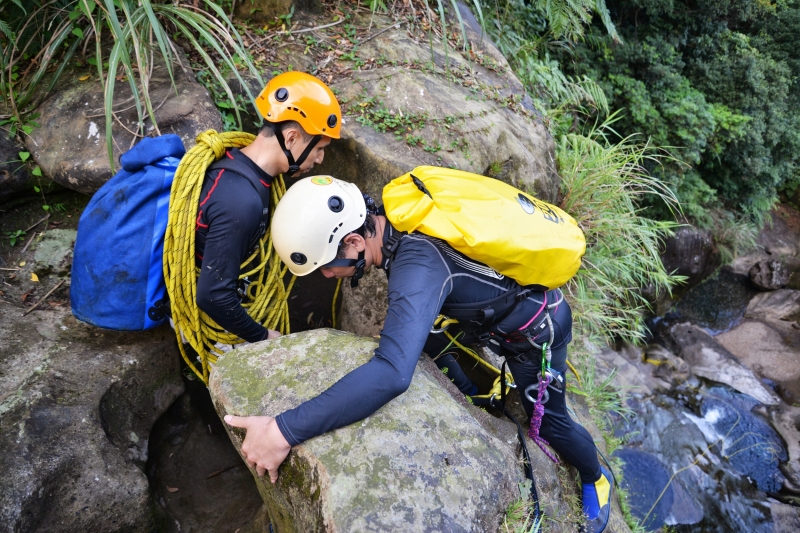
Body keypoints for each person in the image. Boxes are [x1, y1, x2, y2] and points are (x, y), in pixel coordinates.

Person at [224, 177, 613, 532]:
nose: (328, 276)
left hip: (536, 333)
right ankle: (469, 390)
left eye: (327, 267)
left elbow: (392, 373)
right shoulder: (398, 212)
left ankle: (596, 476)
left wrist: (282, 431)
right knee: (419, 337)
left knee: (550, 424)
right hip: (498, 309)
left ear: (355, 243)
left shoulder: (416, 266)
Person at [193, 71, 341, 344]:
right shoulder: (238, 201)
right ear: (293, 138)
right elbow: (212, 295)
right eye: (320, 148)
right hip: (211, 326)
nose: (320, 159)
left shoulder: (239, 166)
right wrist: (261, 336)